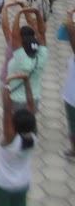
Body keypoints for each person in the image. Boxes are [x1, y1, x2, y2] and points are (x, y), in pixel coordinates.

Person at [0, 73, 36, 205]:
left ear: (14, 124)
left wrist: (7, 83)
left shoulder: (9, 139)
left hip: (3, 184)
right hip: (22, 183)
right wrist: (27, 82)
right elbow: (31, 105)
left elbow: (7, 109)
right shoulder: (33, 137)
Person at [7, 7, 47, 112]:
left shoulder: (22, 59)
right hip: (33, 98)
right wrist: (37, 13)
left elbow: (15, 36)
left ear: (22, 46)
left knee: (15, 126)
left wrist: (19, 12)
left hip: (17, 100)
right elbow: (41, 34)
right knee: (30, 125)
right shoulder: (41, 58)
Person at [60, 10, 75, 161]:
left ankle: (73, 150)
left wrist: (70, 14)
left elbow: (70, 29)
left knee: (73, 124)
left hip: (72, 96)